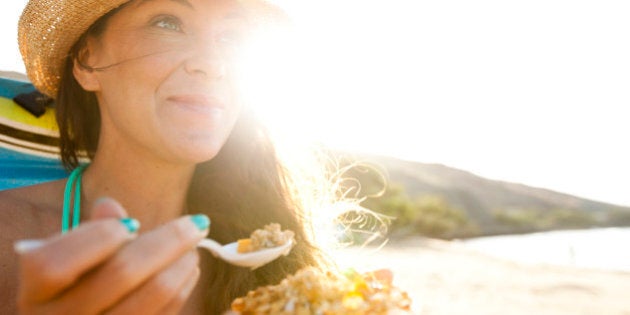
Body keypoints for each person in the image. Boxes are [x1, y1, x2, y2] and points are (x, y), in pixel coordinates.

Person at [0, 0, 333, 313]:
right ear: (88, 61)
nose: (213, 65)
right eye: (168, 23)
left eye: (232, 38)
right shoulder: (7, 234)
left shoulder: (282, 255)